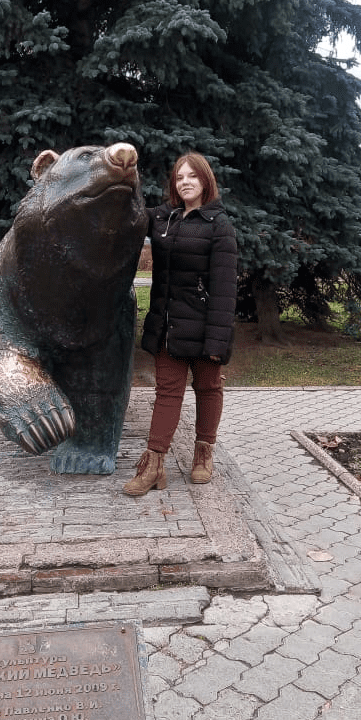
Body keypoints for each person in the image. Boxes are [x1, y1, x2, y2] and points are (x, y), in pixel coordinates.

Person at [124, 152, 237, 495]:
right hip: (168, 326)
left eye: (192, 176)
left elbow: (224, 289)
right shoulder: (163, 218)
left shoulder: (218, 225)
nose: (185, 182)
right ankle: (154, 464)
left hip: (204, 326)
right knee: (167, 392)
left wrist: (217, 342)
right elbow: (129, 214)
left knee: (208, 388)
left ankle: (203, 454)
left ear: (205, 181)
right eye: (179, 177)